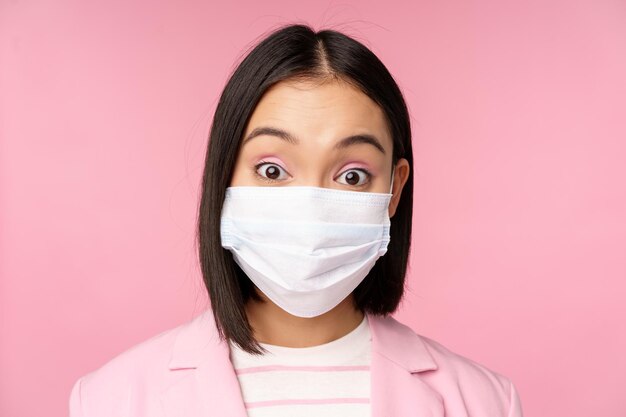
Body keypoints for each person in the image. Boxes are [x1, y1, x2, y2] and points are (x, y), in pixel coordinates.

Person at [69, 23, 523, 417]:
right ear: (224, 176)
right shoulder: (111, 399)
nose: (310, 207)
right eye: (272, 170)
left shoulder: (486, 402)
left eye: (352, 175)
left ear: (394, 190)